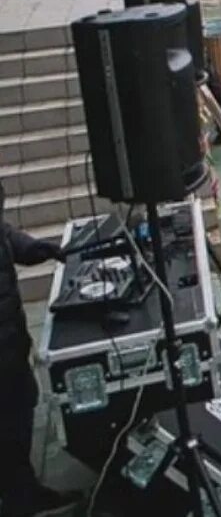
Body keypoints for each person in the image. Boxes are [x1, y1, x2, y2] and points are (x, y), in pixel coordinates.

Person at [1, 178, 76, 517]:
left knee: (20, 407)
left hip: (10, 338)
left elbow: (4, 235)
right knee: (13, 415)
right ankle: (19, 495)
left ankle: (22, 490)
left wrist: (33, 249)